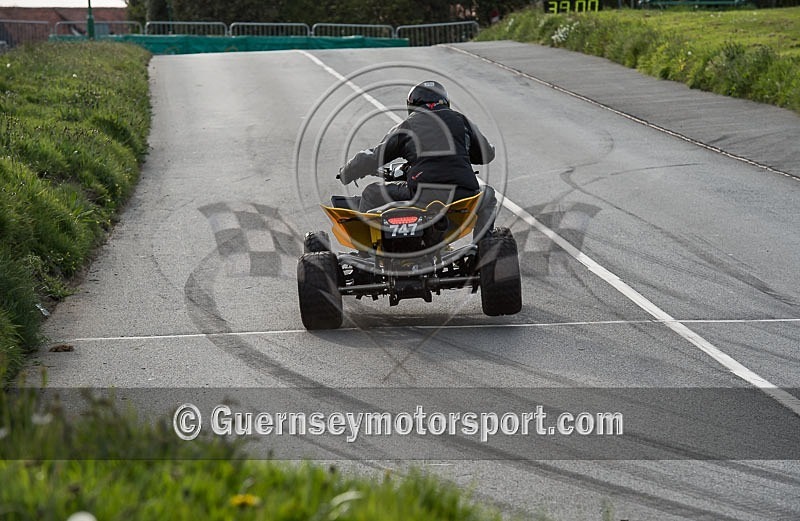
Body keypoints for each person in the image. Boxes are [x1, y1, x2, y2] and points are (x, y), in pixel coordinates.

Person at [337, 80, 498, 240]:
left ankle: (367, 249)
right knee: (488, 195)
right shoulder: (461, 121)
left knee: (371, 192)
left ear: (412, 105)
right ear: (445, 101)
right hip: (463, 194)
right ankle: (484, 247)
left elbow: (373, 157)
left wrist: (347, 172)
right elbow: (487, 154)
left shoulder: (408, 125)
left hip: (423, 194)